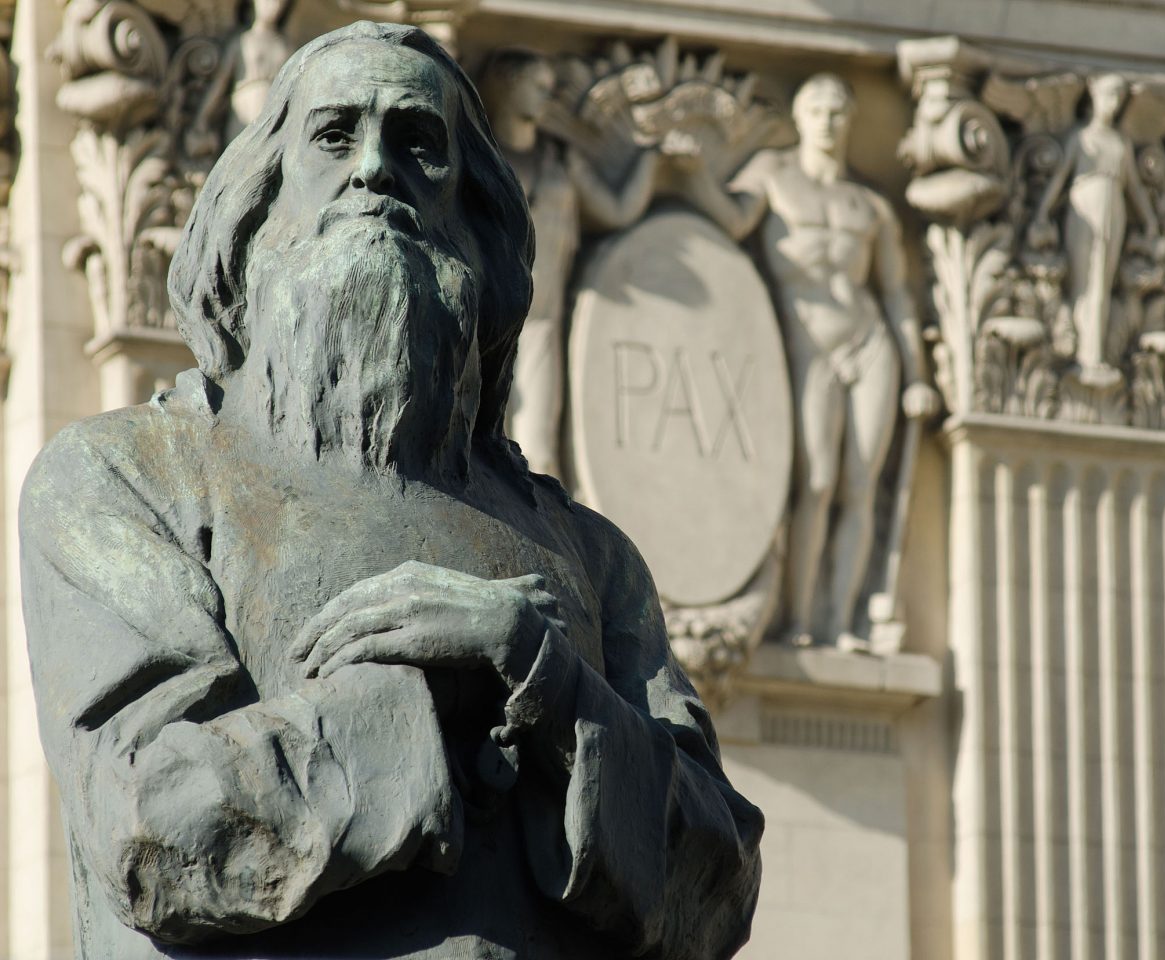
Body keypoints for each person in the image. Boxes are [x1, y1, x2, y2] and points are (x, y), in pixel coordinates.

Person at [21, 22, 761, 960]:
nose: (376, 169)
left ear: (473, 216)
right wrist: (435, 692)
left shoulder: (589, 554)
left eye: (419, 144)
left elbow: (720, 879)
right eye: (334, 136)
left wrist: (545, 677)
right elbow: (153, 820)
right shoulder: (127, 480)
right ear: (261, 198)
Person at [675, 73, 939, 648]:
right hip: (806, 340)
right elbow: (734, 219)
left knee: (860, 486)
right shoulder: (774, 174)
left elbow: (895, 292)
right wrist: (693, 174)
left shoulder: (868, 204)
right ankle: (797, 622)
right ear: (800, 118)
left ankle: (839, 622)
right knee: (816, 482)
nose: (829, 121)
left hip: (869, 342)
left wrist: (918, 376)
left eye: (839, 111)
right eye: (818, 109)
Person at [476, 49, 661, 479]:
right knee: (479, 444)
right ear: (506, 84)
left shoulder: (561, 160)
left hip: (542, 321)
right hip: (485, 321)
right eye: (536, 84)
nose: (548, 93)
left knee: (538, 450)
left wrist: (651, 156)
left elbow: (616, 210)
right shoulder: (479, 158)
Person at [1028, 73, 1163, 386]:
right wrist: (1042, 212)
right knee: (1084, 282)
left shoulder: (1120, 142)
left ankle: (1097, 354)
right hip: (1084, 208)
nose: (1113, 104)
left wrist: (1150, 220)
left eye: (1118, 97)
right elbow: (1060, 178)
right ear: (1094, 98)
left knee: (1102, 283)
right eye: (1108, 96)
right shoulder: (1082, 138)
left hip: (1113, 210)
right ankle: (1080, 353)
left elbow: (1136, 190)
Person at [186, 0, 293, 158]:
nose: (273, 6)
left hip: (275, 116)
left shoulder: (286, 46)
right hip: (245, 111)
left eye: (279, 2)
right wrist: (202, 117)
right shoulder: (243, 41)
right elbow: (220, 83)